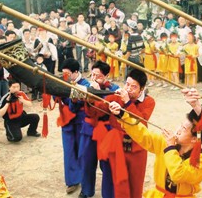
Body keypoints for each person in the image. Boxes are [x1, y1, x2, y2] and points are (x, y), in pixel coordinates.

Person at [108, 104, 202, 197]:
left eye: (184, 128)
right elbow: (144, 135)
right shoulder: (165, 142)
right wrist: (122, 115)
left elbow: (178, 174)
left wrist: (170, 147)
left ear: (194, 139)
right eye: (181, 125)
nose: (178, 130)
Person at [92, 69, 155, 198]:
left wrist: (127, 103)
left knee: (135, 181)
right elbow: (97, 110)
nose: (128, 89)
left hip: (137, 147)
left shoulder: (149, 101)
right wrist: (91, 95)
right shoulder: (116, 96)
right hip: (117, 145)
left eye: (134, 87)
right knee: (115, 179)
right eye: (127, 84)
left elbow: (140, 122)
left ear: (141, 89)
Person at [78, 61, 119, 198]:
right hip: (88, 128)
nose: (94, 78)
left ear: (106, 76)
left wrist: (96, 93)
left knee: (107, 164)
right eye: (93, 74)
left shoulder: (114, 88)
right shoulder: (85, 86)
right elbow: (77, 107)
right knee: (86, 161)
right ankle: (86, 190)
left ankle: (108, 194)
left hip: (106, 129)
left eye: (98, 75)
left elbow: (105, 109)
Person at [59, 58, 90, 194]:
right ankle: (72, 181)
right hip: (66, 121)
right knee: (69, 150)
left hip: (81, 122)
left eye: (67, 73)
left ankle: (85, 179)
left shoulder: (85, 84)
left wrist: (73, 100)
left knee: (82, 151)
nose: (64, 76)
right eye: (63, 73)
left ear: (75, 72)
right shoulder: (62, 83)